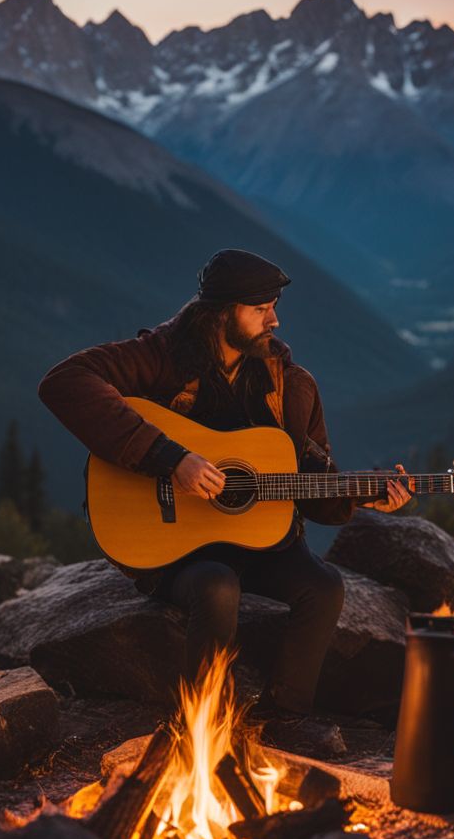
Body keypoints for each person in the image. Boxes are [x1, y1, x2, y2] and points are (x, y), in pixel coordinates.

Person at [38, 249, 413, 751]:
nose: (274, 320)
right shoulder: (160, 356)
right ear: (221, 312)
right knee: (217, 586)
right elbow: (63, 383)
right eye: (260, 308)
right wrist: (171, 459)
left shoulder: (291, 386)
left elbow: (310, 489)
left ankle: (285, 716)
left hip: (258, 538)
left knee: (322, 587)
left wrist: (364, 498)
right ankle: (202, 726)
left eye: (274, 306)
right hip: (175, 544)